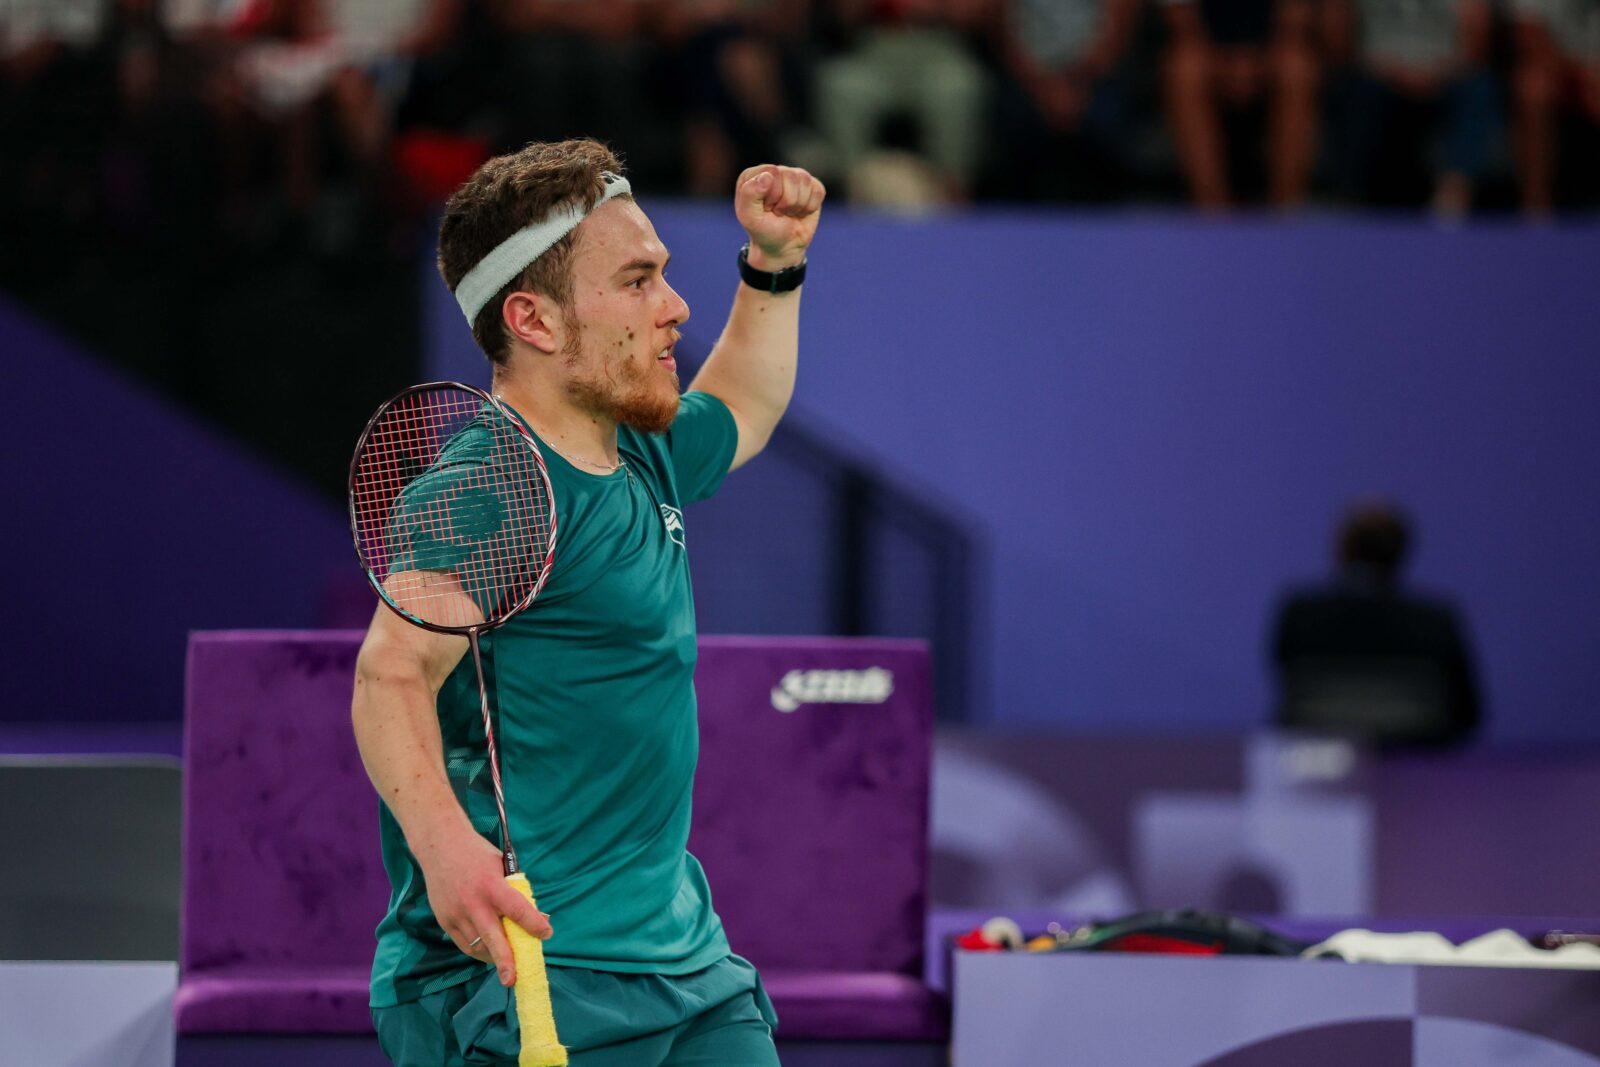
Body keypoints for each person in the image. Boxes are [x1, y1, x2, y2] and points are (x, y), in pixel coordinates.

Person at [352, 139, 825, 1065]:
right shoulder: (485, 485)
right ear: (533, 318)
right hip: (525, 973)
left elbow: (748, 401)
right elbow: (389, 673)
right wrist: (445, 846)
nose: (674, 306)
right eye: (639, 281)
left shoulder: (638, 449)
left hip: (685, 967)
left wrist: (773, 263)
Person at [1270, 499, 1482, 747]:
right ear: (1401, 553)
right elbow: (1468, 712)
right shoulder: (1436, 620)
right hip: (1418, 760)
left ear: (1341, 550)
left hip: (1320, 764)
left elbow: (1283, 685)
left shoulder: (1301, 613)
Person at [1161, 0, 1320, 208]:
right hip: (1207, 51)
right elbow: (1181, 20)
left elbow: (1295, 20)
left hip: (1273, 51)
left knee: (1296, 69)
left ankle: (1286, 211)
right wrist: (1227, 65)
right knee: (1185, 70)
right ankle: (1213, 210)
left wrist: (1252, 64)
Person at [1510, 0, 1600, 217]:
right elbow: (1529, 32)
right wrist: (1580, 74)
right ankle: (1536, 208)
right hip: (1559, 71)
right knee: (1532, 86)